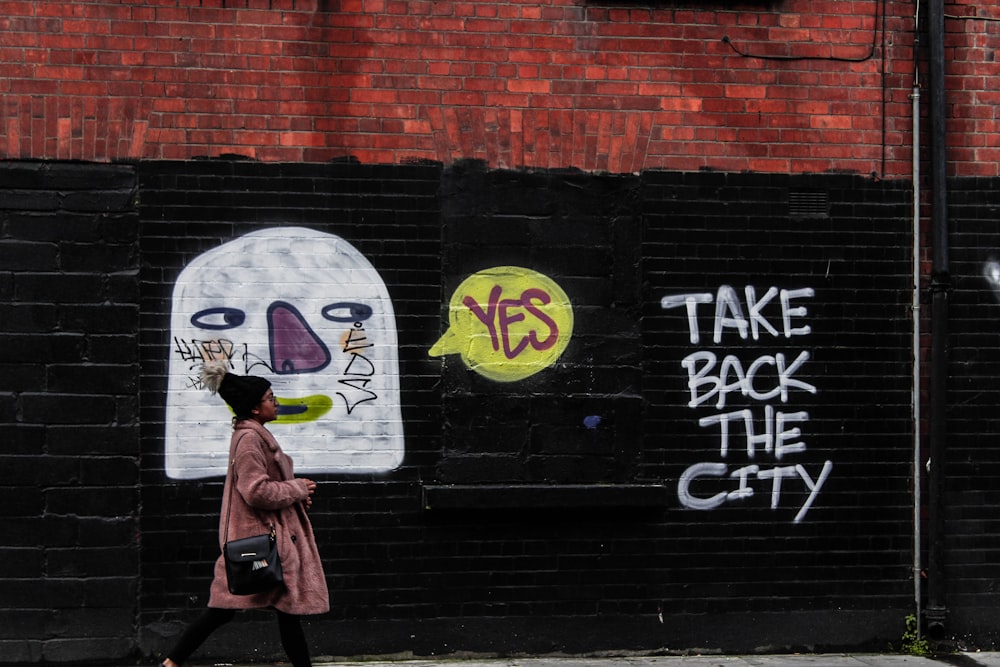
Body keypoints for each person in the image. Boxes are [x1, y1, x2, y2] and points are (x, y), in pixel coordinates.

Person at [159, 361, 330, 667]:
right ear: (254, 408)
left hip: (267, 534)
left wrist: (294, 495)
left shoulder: (254, 434)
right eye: (270, 398)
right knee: (224, 609)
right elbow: (256, 491)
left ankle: (172, 662)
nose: (275, 403)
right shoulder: (250, 439)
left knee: (281, 610)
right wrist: (296, 489)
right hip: (261, 538)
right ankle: (172, 662)